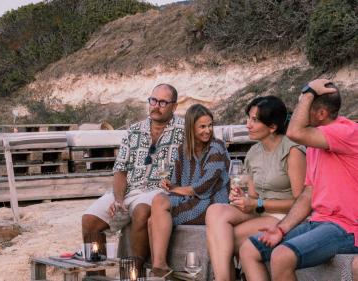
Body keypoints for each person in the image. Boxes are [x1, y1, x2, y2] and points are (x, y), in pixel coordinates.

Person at [239, 79, 358, 281]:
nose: (297, 115)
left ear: (321, 114)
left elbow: (294, 132)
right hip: (318, 222)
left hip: (346, 228)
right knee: (249, 249)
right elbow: (308, 194)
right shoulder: (314, 144)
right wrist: (281, 228)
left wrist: (309, 93)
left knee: (281, 256)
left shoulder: (347, 132)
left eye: (303, 108)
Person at [82, 84, 184, 267]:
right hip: (129, 190)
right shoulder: (134, 131)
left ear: (174, 106)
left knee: (141, 210)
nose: (156, 106)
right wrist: (119, 200)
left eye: (162, 102)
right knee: (89, 220)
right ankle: (96, 275)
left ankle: (135, 272)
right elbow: (120, 169)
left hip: (159, 190)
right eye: (153, 100)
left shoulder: (184, 131)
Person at [206, 96, 306, 281]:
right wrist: (242, 198)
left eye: (254, 120)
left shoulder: (292, 151)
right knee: (215, 211)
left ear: (272, 126)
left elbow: (301, 202)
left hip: (285, 217)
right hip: (261, 211)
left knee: (224, 240)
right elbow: (253, 197)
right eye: (248, 118)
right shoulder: (253, 153)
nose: (248, 125)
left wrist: (257, 203)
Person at [148, 104, 230, 277]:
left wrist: (176, 189)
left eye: (210, 125)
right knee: (158, 200)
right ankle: (160, 265)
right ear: (191, 127)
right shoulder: (182, 150)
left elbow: (204, 187)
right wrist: (170, 185)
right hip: (188, 198)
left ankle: (159, 268)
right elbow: (177, 182)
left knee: (153, 221)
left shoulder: (217, 148)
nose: (207, 130)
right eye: (202, 126)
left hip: (210, 202)